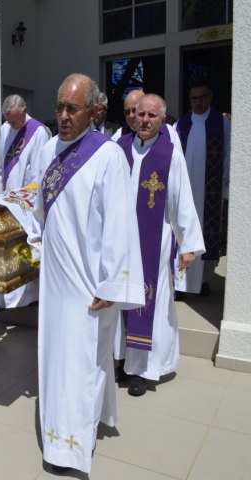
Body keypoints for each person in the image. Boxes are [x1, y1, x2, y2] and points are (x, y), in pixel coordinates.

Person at [36, 73, 145, 474]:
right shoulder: (50, 150)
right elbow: (43, 211)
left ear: (93, 111)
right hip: (55, 283)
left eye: (72, 108)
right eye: (59, 107)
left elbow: (120, 223)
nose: (63, 116)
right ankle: (58, 429)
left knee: (83, 363)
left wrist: (113, 283)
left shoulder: (106, 155)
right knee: (57, 359)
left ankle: (71, 449)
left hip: (88, 286)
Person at [114, 94, 205, 396]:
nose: (144, 120)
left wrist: (188, 244)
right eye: (140, 114)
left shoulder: (169, 154)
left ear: (162, 119)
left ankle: (145, 370)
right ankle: (122, 360)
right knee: (120, 301)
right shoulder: (119, 149)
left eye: (152, 116)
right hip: (120, 244)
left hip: (154, 244)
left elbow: (182, 201)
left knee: (150, 301)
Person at [174, 77, 230, 297]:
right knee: (183, 233)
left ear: (210, 97)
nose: (197, 102)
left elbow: (228, 154)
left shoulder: (221, 122)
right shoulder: (181, 124)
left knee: (207, 235)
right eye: (193, 98)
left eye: (201, 97)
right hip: (185, 190)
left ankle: (204, 280)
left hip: (210, 192)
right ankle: (180, 284)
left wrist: (224, 184)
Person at [0, 94, 51, 309]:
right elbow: (3, 166)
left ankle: (30, 296)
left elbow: (38, 172)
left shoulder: (38, 132)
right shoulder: (4, 129)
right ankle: (10, 295)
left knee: (27, 248)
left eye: (16, 120)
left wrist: (25, 199)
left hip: (27, 202)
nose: (13, 124)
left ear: (25, 110)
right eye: (9, 120)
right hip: (8, 200)